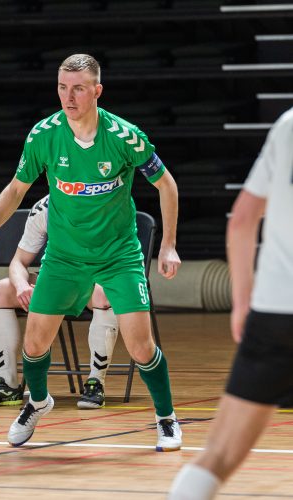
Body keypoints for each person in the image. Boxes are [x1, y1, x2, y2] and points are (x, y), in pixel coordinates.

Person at [0, 54, 182, 450]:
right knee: (34, 344)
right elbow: (16, 189)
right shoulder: (44, 135)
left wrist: (167, 245)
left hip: (118, 254)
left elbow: (166, 185)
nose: (69, 96)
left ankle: (166, 418)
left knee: (140, 346)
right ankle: (37, 402)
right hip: (65, 256)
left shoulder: (124, 136)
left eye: (79, 88)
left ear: (97, 91)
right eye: (63, 87)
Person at [168, 108, 293, 498]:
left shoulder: (289, 124)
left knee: (217, 456)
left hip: (275, 313)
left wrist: (241, 302)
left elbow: (241, 220)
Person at [0, 194, 120, 410]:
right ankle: (8, 385)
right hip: (57, 277)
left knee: (104, 296)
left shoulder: (103, 201)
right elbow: (18, 262)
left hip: (96, 275)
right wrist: (21, 285)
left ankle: (96, 383)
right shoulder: (44, 208)